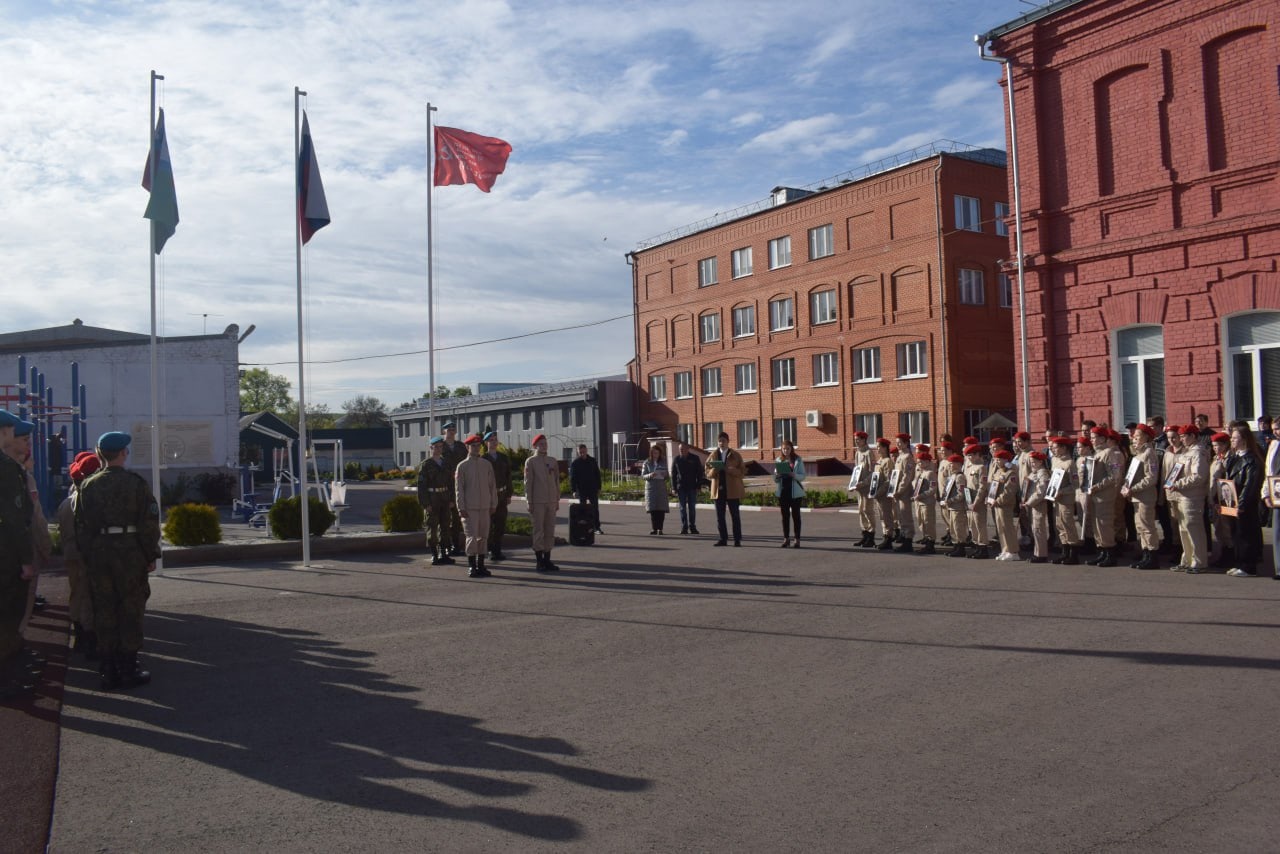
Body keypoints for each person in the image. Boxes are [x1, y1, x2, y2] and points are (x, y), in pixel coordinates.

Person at [74, 431, 162, 690]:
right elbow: (149, 524)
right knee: (131, 609)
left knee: (105, 609)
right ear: (123, 453)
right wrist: (150, 555)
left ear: (100, 454)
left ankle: (108, 669)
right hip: (130, 553)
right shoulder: (135, 483)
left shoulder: (88, 485)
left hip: (100, 553)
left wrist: (89, 555)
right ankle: (128, 667)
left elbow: (81, 526)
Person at [0, 410, 36, 701]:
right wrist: (26, 559)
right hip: (6, 554)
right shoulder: (5, 468)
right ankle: (7, 683)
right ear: (4, 432)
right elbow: (14, 518)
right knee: (7, 617)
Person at [57, 451, 102, 657]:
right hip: (87, 554)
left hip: (71, 554)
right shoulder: (88, 502)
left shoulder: (66, 503)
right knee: (89, 597)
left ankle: (80, 635)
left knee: (76, 593)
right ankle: (89, 639)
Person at [1167, 424, 1210, 573]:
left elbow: (1198, 476)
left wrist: (1177, 483)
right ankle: (1187, 559)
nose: (1181, 439)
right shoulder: (1187, 452)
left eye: (1184, 436)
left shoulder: (1198, 452)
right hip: (1182, 495)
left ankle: (1199, 561)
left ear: (1193, 436)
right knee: (1184, 529)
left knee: (1194, 528)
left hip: (1193, 496)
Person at [455, 433, 498, 578]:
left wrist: (493, 503)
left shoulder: (486, 464)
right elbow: (459, 488)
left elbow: (492, 486)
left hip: (484, 507)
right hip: (470, 508)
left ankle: (481, 565)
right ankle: (472, 566)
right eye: (473, 446)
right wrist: (461, 507)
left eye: (478, 445)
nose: (476, 448)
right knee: (472, 537)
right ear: (467, 447)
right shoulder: (462, 466)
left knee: (483, 537)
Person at [1225, 425, 1263, 578]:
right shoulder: (1234, 457)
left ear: (1244, 440)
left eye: (1235, 438)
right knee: (1236, 534)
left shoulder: (1252, 460)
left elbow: (1250, 485)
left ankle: (1249, 566)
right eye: (1232, 437)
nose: (1232, 440)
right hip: (1232, 501)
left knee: (1246, 534)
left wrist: (1241, 504)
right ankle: (1239, 562)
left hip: (1245, 504)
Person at [1122, 424, 1161, 569]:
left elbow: (1151, 478)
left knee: (1147, 526)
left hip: (1145, 496)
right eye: (1134, 436)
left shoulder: (1149, 453)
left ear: (1146, 437)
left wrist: (1133, 489)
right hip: (1136, 496)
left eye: (1137, 436)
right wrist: (1126, 487)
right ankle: (1146, 554)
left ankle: (1152, 555)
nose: (1134, 439)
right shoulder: (1138, 454)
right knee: (1140, 526)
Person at [524, 434, 561, 572]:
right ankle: (539, 561)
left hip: (550, 501)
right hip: (538, 501)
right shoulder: (531, 462)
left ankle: (547, 560)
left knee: (549, 531)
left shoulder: (552, 461)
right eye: (541, 444)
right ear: (535, 446)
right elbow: (528, 483)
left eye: (545, 443)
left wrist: (557, 499)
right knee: (538, 531)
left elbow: (556, 481)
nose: (544, 446)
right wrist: (529, 501)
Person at [1085, 426, 1122, 566]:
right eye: (1091, 438)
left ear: (1102, 438)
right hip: (1095, 495)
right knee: (1097, 525)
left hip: (1104, 496)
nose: (1092, 440)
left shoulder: (1109, 453)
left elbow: (1114, 476)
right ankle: (1102, 551)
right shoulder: (1096, 454)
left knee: (1104, 525)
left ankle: (1110, 553)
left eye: (1094, 438)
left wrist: (1097, 486)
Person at [416, 437, 456, 566]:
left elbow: (451, 483)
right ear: (431, 448)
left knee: (445, 526)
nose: (439, 449)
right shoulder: (426, 464)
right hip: (432, 498)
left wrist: (451, 499)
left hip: (444, 497)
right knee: (432, 527)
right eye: (436, 447)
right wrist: (425, 504)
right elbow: (421, 486)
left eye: (440, 446)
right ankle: (434, 554)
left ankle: (443, 553)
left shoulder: (446, 463)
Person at [706, 432, 745, 547]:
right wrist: (714, 470)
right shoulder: (713, 455)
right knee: (720, 516)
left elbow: (742, 472)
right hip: (718, 489)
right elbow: (707, 472)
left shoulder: (735, 455)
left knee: (735, 515)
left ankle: (737, 539)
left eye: (723, 441)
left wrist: (732, 470)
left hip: (732, 489)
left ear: (728, 442)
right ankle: (723, 539)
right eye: (719, 441)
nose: (721, 443)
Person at [1049, 437, 1082, 565]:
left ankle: (1073, 554)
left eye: (1056, 447)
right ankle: (1064, 552)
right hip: (1055, 499)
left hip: (1065, 499)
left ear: (1064, 448)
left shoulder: (1070, 463)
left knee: (1068, 526)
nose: (1053, 449)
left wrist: (1061, 491)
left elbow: (1075, 484)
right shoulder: (1054, 461)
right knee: (1060, 525)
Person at [484, 432, 513, 562]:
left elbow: (508, 477)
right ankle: (489, 549)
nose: (494, 442)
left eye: (495, 440)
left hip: (501, 495)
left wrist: (509, 494)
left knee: (500, 524)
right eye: (491, 440)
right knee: (489, 525)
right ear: (486, 443)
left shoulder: (503, 457)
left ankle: (498, 550)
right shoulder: (483, 459)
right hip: (489, 496)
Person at [439, 422, 467, 555]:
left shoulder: (461, 446)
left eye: (453, 429)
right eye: (448, 429)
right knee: (445, 519)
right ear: (443, 431)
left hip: (460, 485)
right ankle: (445, 547)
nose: (451, 432)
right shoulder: (439, 446)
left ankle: (456, 546)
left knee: (457, 519)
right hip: (445, 486)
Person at [990, 449, 1021, 561]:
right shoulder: (998, 472)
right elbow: (993, 487)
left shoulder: (1011, 473)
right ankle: (1005, 549)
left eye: (999, 459)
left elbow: (1009, 492)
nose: (996, 461)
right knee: (1001, 528)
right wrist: (990, 499)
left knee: (1007, 528)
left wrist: (997, 500)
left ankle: (1013, 551)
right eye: (995, 459)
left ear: (1005, 460)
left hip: (1005, 504)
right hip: (997, 504)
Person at [774, 439, 806, 548]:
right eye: (784, 449)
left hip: (795, 493)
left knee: (796, 516)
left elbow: (803, 476)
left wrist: (794, 475)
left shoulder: (797, 460)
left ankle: (797, 539)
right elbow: (775, 479)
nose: (786, 451)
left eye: (788, 448)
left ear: (791, 448)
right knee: (785, 517)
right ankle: (786, 539)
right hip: (783, 492)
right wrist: (777, 476)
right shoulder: (779, 460)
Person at [1260, 417, 1280, 580]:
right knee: (1277, 532)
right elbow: (1269, 470)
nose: (1274, 432)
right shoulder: (1273, 445)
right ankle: (1279, 568)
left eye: (1278, 429)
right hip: (1277, 493)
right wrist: (1265, 493)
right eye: (1273, 429)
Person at [963, 443, 991, 559]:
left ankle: (983, 547)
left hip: (977, 501)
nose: (969, 458)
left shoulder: (981, 467)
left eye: (971, 455)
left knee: (980, 524)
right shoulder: (968, 467)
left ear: (977, 455)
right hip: (969, 499)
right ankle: (976, 546)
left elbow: (982, 487)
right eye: (967, 455)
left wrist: (976, 501)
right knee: (972, 524)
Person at [1023, 451, 1051, 563]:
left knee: (1039, 528)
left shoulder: (1042, 473)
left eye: (1034, 462)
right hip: (1031, 503)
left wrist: (1029, 502)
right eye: (1031, 462)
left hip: (1038, 504)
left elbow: (1041, 492)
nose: (1032, 464)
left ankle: (1041, 554)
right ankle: (1037, 552)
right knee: (1035, 528)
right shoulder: (1033, 473)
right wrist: (1024, 500)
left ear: (1040, 462)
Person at [568, 444, 603, 534]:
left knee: (595, 508)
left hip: (592, 489)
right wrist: (574, 490)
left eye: (584, 451)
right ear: (578, 452)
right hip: (581, 489)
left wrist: (599, 487)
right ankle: (584, 527)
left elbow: (597, 475)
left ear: (586, 450)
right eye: (580, 452)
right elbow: (573, 478)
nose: (582, 454)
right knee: (583, 509)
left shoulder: (592, 461)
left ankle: (596, 527)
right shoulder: (575, 463)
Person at [671, 442, 704, 535]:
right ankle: (684, 527)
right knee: (682, 508)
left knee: (692, 508)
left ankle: (692, 527)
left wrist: (699, 486)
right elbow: (673, 475)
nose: (681, 451)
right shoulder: (676, 459)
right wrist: (673, 487)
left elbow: (699, 473)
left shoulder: (695, 458)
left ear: (687, 449)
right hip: (681, 487)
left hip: (692, 487)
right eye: (680, 449)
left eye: (683, 449)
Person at [941, 453, 970, 557]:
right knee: (953, 528)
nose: (950, 466)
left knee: (958, 528)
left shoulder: (959, 477)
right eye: (949, 464)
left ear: (958, 464)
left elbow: (961, 494)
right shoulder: (952, 476)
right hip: (952, 507)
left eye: (952, 463)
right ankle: (956, 546)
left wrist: (950, 500)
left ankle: (961, 547)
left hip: (958, 507)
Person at [849, 431, 875, 547]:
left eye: (858, 439)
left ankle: (871, 535)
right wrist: (853, 484)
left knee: (867, 510)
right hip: (860, 488)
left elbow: (873, 472)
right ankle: (864, 535)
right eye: (855, 439)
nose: (856, 441)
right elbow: (856, 471)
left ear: (864, 440)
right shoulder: (857, 453)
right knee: (861, 511)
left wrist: (863, 483)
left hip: (867, 487)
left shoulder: (869, 453)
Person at [891, 432, 916, 552]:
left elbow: (907, 476)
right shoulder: (900, 456)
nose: (898, 445)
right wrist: (893, 489)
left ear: (906, 443)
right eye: (897, 443)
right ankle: (904, 537)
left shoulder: (908, 457)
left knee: (906, 516)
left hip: (904, 491)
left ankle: (908, 541)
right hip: (898, 491)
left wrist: (899, 490)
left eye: (900, 443)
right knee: (900, 516)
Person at [641, 444, 671, 535]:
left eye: (657, 453)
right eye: (654, 453)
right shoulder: (647, 462)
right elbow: (643, 476)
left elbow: (667, 475)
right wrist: (650, 475)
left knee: (661, 509)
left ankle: (660, 529)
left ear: (660, 453)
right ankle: (654, 528)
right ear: (651, 453)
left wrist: (664, 475)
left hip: (661, 488)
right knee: (653, 510)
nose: (656, 455)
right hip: (651, 488)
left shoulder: (663, 461)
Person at [871, 439, 895, 551]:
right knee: (882, 517)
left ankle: (889, 538)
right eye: (877, 447)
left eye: (879, 447)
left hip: (884, 494)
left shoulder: (887, 461)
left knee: (886, 516)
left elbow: (888, 480)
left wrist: (878, 492)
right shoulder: (879, 461)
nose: (877, 449)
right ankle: (885, 536)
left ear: (885, 448)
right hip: (878, 494)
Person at [912, 449, 937, 554]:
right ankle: (926, 540)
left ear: (927, 462)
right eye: (918, 462)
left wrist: (922, 495)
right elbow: (915, 485)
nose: (919, 463)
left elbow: (933, 489)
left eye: (921, 461)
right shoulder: (921, 473)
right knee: (922, 522)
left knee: (928, 522)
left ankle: (930, 543)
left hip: (927, 502)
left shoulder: (930, 473)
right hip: (920, 501)